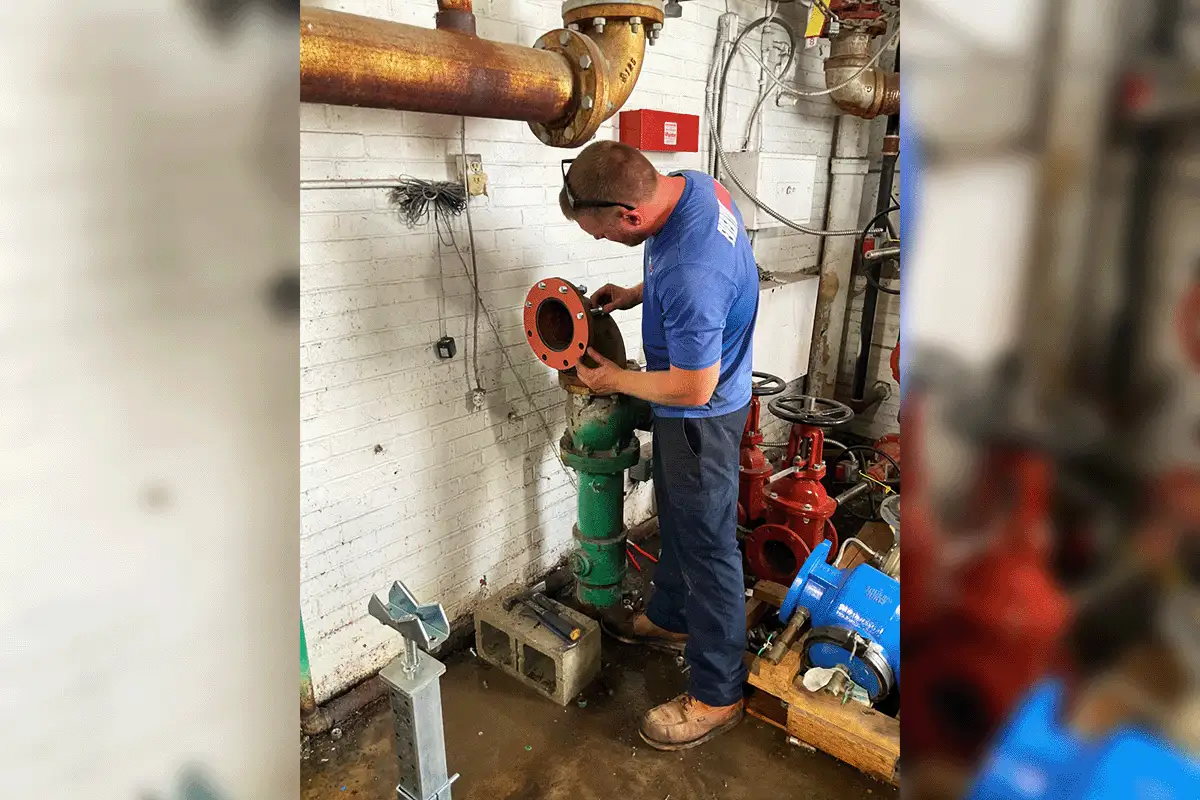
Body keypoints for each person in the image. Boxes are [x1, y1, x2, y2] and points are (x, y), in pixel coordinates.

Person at [558, 140, 759, 750]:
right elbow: (676, 266)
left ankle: (718, 694)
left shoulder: (691, 274)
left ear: (630, 215)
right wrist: (634, 294)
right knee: (678, 516)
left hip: (701, 414)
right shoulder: (690, 187)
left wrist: (613, 379)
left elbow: (693, 387)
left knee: (708, 551)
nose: (601, 243)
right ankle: (671, 617)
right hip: (689, 409)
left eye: (603, 234)